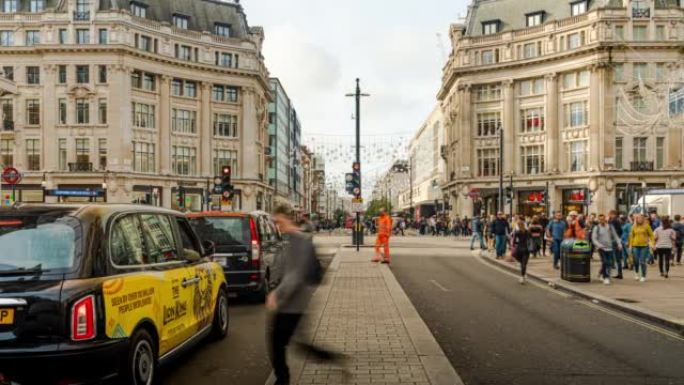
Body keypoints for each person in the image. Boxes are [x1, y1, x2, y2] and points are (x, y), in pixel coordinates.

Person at [268, 204, 341, 385]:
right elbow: (284, 268)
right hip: (290, 302)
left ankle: (283, 380)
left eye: (279, 221)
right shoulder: (289, 239)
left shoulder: (300, 240)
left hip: (293, 303)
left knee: (278, 344)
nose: (278, 225)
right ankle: (333, 360)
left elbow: (295, 274)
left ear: (288, 219)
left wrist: (276, 295)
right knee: (297, 344)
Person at [592, 214, 622, 284]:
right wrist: (599, 245)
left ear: (605, 219)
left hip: (610, 247)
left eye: (603, 219)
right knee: (605, 262)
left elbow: (615, 235)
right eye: (600, 219)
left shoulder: (610, 227)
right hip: (601, 248)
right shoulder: (597, 228)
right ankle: (606, 277)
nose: (601, 220)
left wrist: (619, 243)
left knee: (609, 263)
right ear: (598, 220)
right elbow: (594, 239)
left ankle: (601, 273)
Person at [629, 214, 655, 283]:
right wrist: (630, 246)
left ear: (643, 219)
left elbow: (651, 235)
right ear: (636, 219)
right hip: (635, 245)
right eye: (638, 218)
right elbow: (631, 237)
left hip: (644, 246)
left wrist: (652, 243)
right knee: (636, 260)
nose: (640, 220)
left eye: (641, 218)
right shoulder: (634, 226)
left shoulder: (647, 226)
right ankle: (636, 273)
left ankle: (643, 276)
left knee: (642, 261)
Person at [511, 219, 532, 284]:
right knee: (524, 263)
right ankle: (523, 276)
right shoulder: (527, 232)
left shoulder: (517, 232)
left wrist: (514, 245)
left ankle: (523, 275)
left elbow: (514, 242)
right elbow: (530, 239)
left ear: (518, 225)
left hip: (519, 249)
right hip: (526, 249)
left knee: (521, 262)